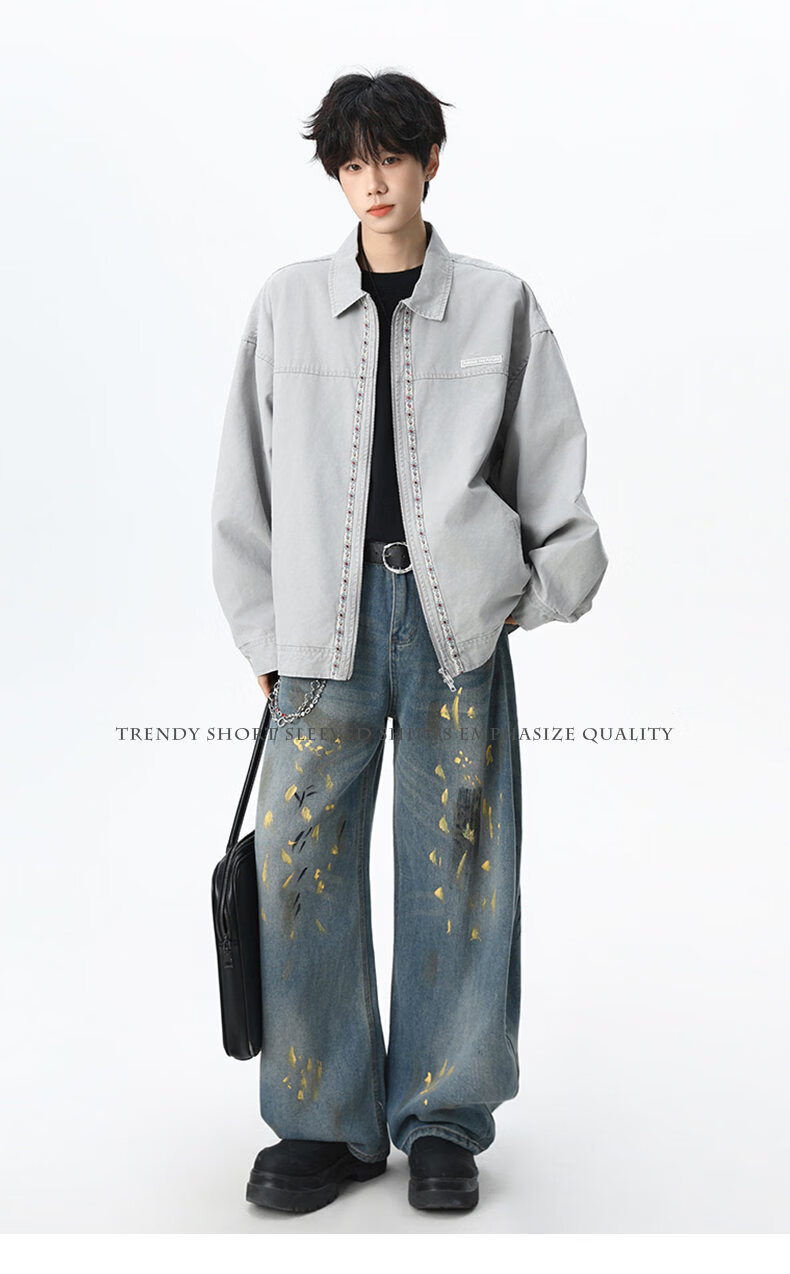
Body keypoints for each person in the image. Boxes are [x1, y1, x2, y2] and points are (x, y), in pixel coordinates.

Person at [211, 69, 608, 1214]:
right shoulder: (287, 303)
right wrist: (264, 634)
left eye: (391, 157)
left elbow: (551, 465)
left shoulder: (498, 302)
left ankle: (441, 1116)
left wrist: (520, 594)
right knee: (298, 869)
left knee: (462, 869)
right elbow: (243, 482)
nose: (372, 181)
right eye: (351, 163)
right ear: (335, 174)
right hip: (317, 635)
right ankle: (324, 1122)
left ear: (431, 161)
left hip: (451, 630)